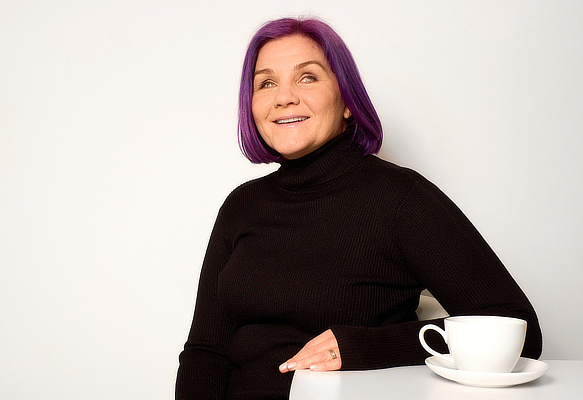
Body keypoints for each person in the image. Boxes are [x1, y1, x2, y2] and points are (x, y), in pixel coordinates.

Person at [175, 17, 542, 399]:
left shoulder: (402, 198)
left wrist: (364, 347)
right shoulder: (241, 205)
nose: (284, 97)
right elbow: (206, 352)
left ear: (348, 101)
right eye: (267, 83)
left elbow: (519, 328)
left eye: (307, 77)